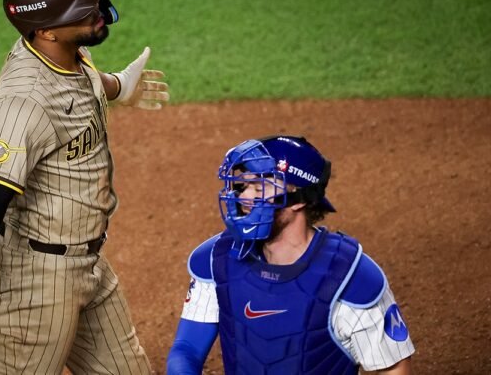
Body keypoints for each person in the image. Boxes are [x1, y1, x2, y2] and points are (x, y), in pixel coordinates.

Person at [0, 0, 168, 374]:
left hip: (89, 265)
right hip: (34, 284)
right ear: (45, 30)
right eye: (81, 9)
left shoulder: (68, 54)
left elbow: (83, 85)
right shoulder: (23, 100)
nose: (95, 11)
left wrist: (119, 85)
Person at [166, 135, 415, 374]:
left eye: (260, 186)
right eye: (244, 185)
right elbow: (186, 350)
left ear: (298, 199)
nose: (244, 197)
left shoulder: (349, 277)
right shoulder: (218, 258)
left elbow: (392, 367)